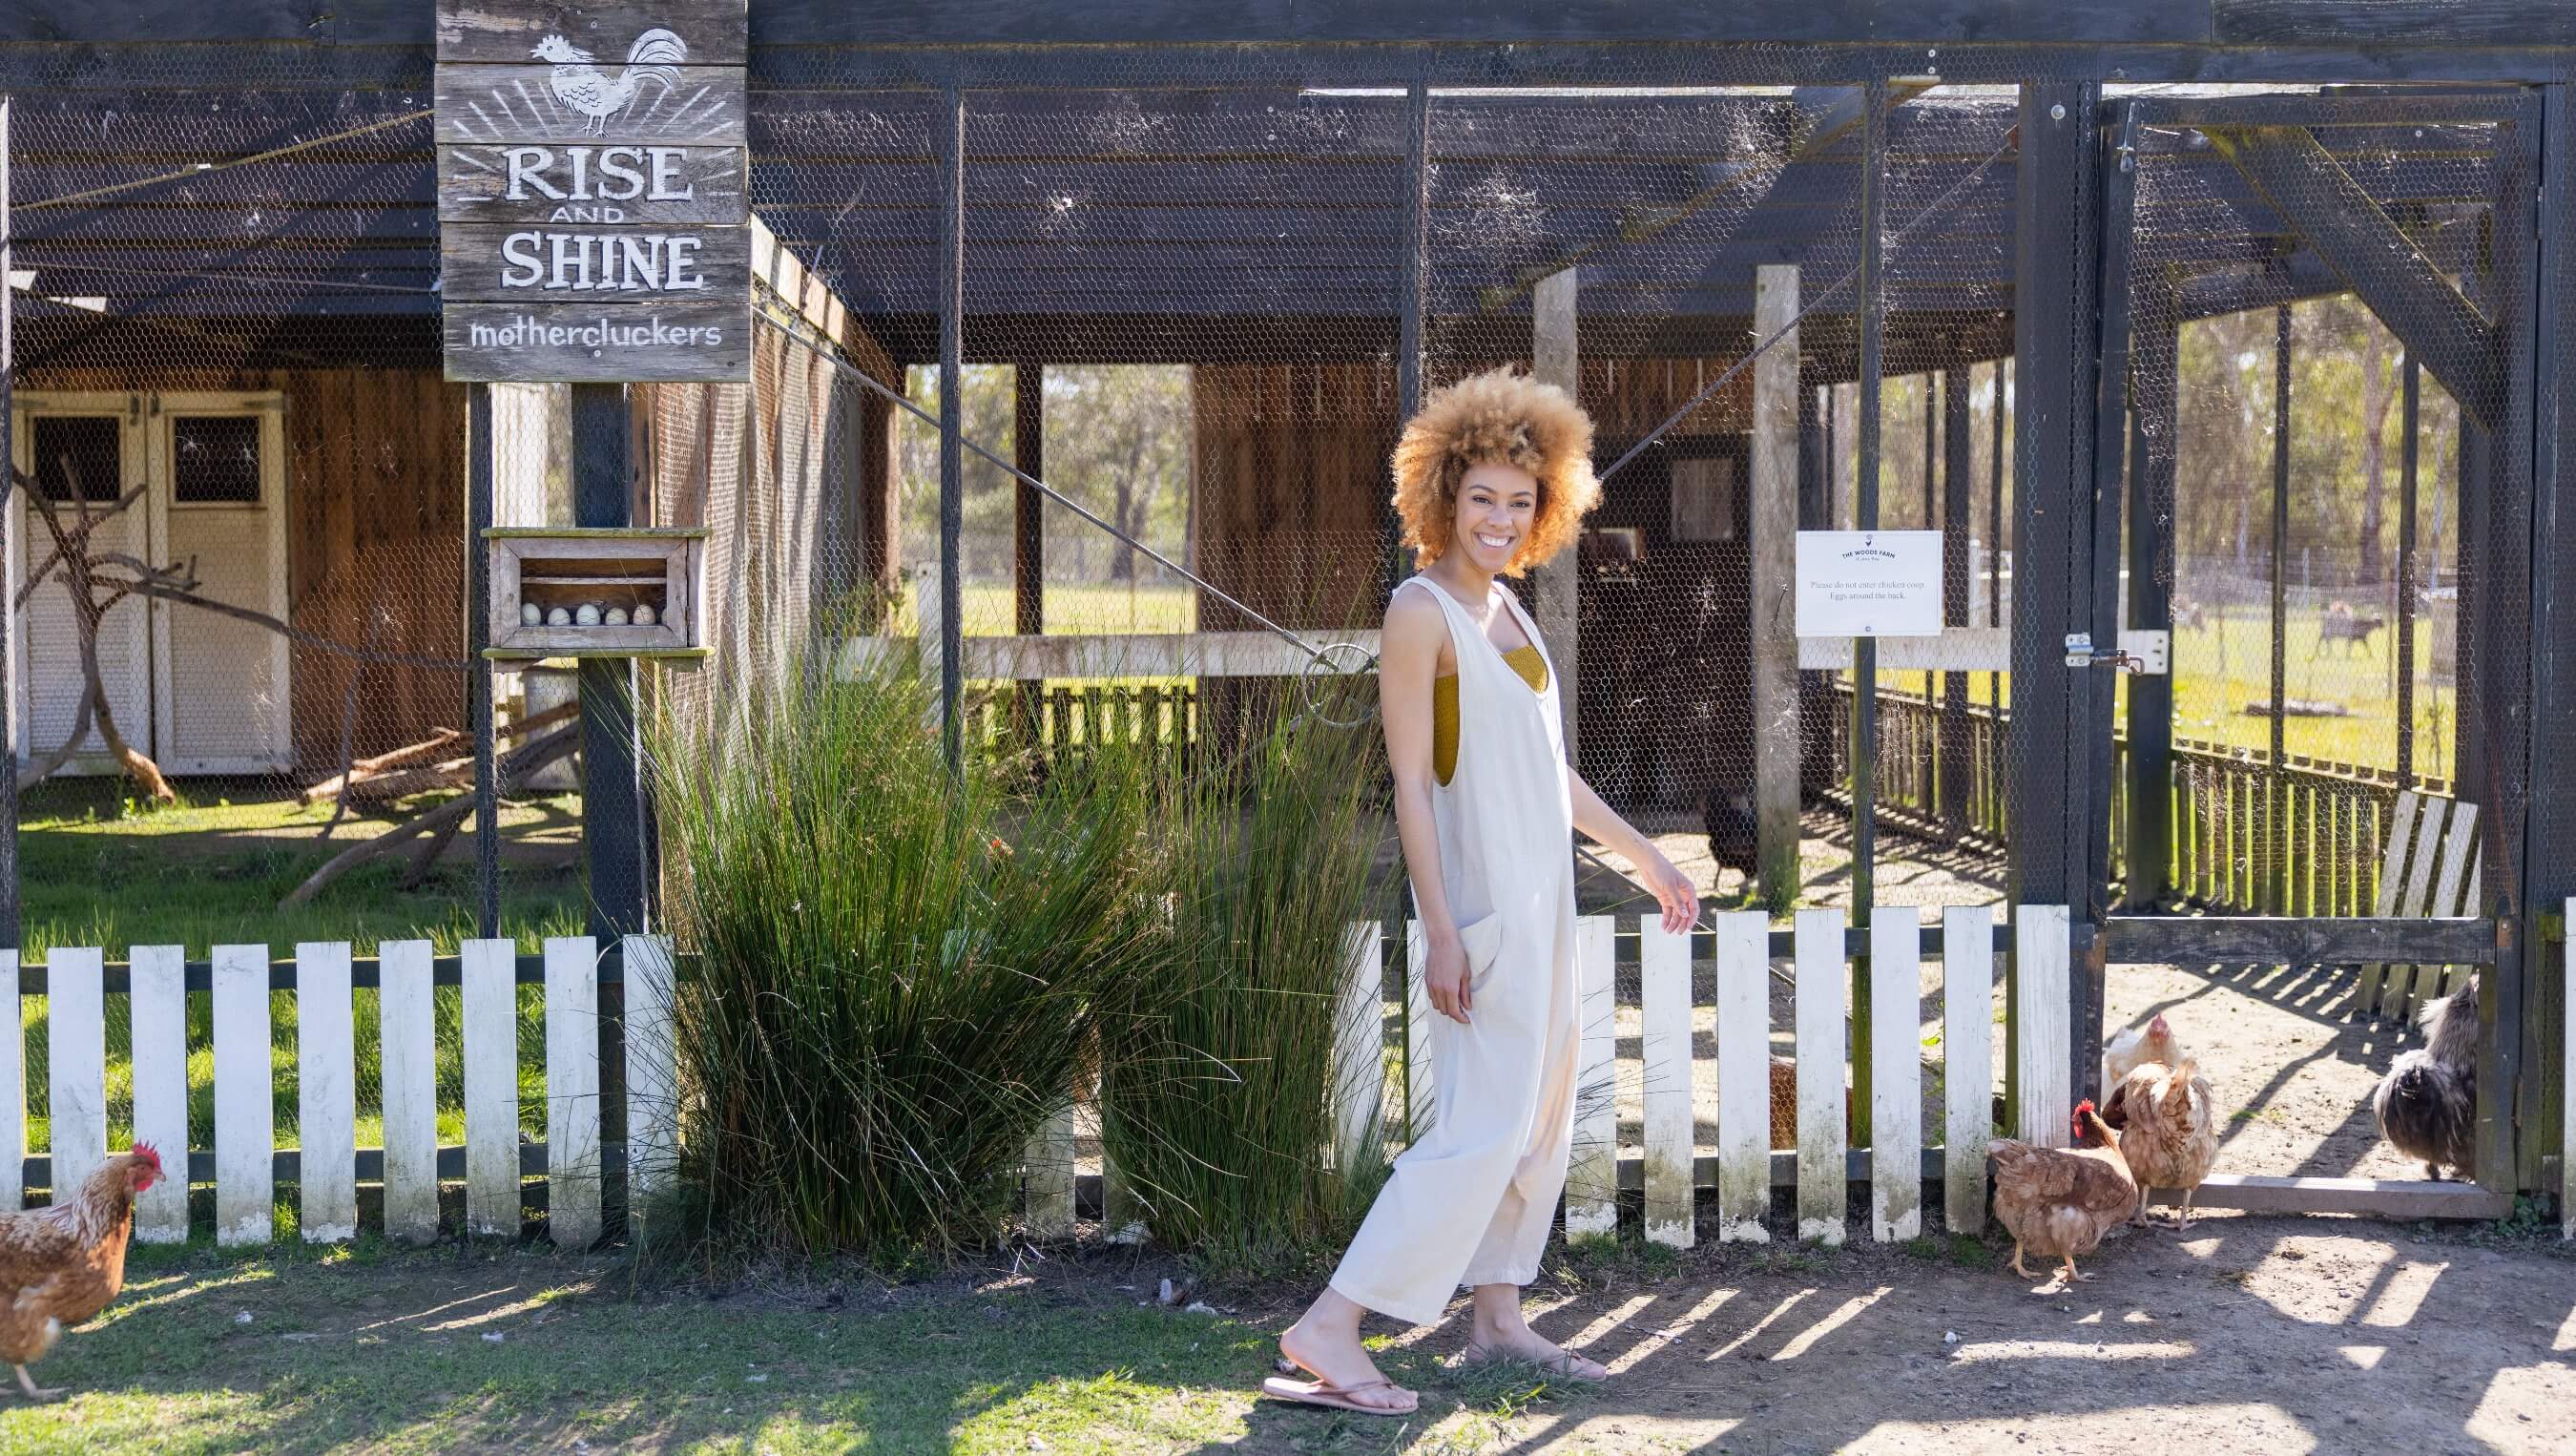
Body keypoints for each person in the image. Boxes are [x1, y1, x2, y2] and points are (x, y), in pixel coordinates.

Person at [1263, 367, 1698, 1417]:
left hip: (1549, 909)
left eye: (1520, 500)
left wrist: (1647, 855)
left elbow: (1548, 769)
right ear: (1442, 499)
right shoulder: (1421, 611)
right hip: (1484, 916)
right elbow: (1408, 781)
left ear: (1546, 505)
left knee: (1537, 1119)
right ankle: (1331, 1323)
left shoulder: (1507, 609)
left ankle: (1498, 1316)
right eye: (1482, 499)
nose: (1500, 520)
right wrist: (1443, 928)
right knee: (1479, 1129)